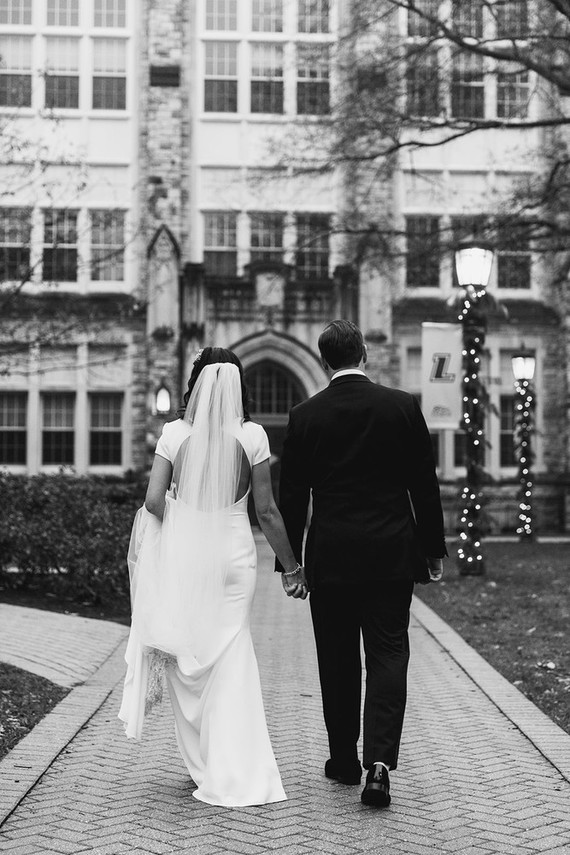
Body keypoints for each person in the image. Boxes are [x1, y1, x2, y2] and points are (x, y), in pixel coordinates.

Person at [119, 347, 307, 807]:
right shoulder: (253, 435)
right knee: (232, 652)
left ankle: (204, 764)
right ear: (237, 386)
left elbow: (153, 502)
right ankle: (236, 762)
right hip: (235, 556)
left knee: (192, 655)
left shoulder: (174, 434)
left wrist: (188, 524)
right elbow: (266, 509)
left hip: (189, 554)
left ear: (196, 384)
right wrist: (293, 567)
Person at [275, 320, 446, 808]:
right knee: (389, 654)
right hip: (392, 555)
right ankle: (378, 765)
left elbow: (292, 497)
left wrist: (289, 566)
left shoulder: (305, 416)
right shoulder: (402, 407)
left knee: (338, 659)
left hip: (330, 558)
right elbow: (424, 486)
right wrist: (432, 551)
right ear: (365, 354)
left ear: (324, 361)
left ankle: (343, 760)